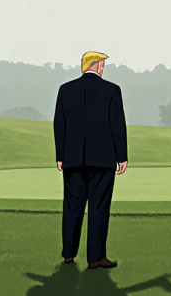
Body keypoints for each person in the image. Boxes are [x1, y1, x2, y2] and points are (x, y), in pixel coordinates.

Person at [53, 51, 128, 269]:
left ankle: (68, 253)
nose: (103, 69)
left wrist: (60, 156)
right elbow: (117, 124)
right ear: (95, 65)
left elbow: (60, 124)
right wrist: (121, 156)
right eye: (102, 65)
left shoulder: (65, 90)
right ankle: (95, 258)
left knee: (72, 207)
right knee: (99, 209)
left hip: (73, 158)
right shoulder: (112, 90)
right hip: (103, 160)